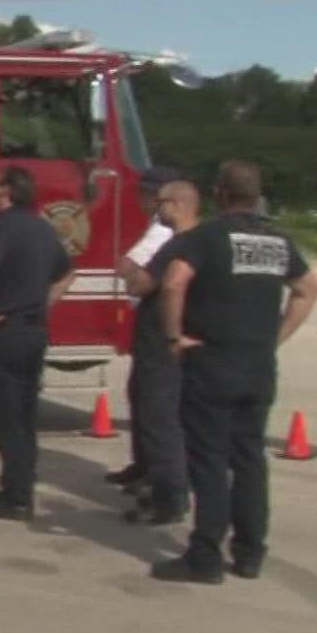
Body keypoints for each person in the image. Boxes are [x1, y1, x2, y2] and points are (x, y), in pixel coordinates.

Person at [155, 161, 317, 583]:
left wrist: (174, 338)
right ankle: (250, 551)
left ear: (221, 194)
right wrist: (276, 337)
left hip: (213, 360)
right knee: (249, 459)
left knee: (209, 460)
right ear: (257, 195)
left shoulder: (207, 237)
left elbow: (174, 283)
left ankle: (206, 555)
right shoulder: (277, 240)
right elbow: (307, 289)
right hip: (258, 365)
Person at [0, 167, 75, 521]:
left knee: (5, 415)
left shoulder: (5, 228)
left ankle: (14, 495)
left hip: (8, 333)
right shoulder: (44, 229)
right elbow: (67, 273)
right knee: (26, 415)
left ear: (6, 193)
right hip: (35, 333)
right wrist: (41, 304)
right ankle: (22, 486)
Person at [120, 178, 202, 525]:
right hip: (196, 342)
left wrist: (131, 270)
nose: (157, 207)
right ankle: (178, 487)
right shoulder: (209, 240)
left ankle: (168, 498)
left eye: (162, 202)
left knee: (159, 420)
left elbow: (143, 282)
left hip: (161, 341)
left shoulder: (177, 244)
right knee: (182, 419)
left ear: (178, 204)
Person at [106, 169, 181, 492]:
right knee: (140, 395)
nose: (140, 197)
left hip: (156, 323)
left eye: (147, 192)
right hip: (148, 320)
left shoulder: (162, 232)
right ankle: (143, 464)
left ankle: (156, 477)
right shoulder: (156, 226)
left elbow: (128, 267)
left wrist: (129, 269)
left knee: (154, 404)